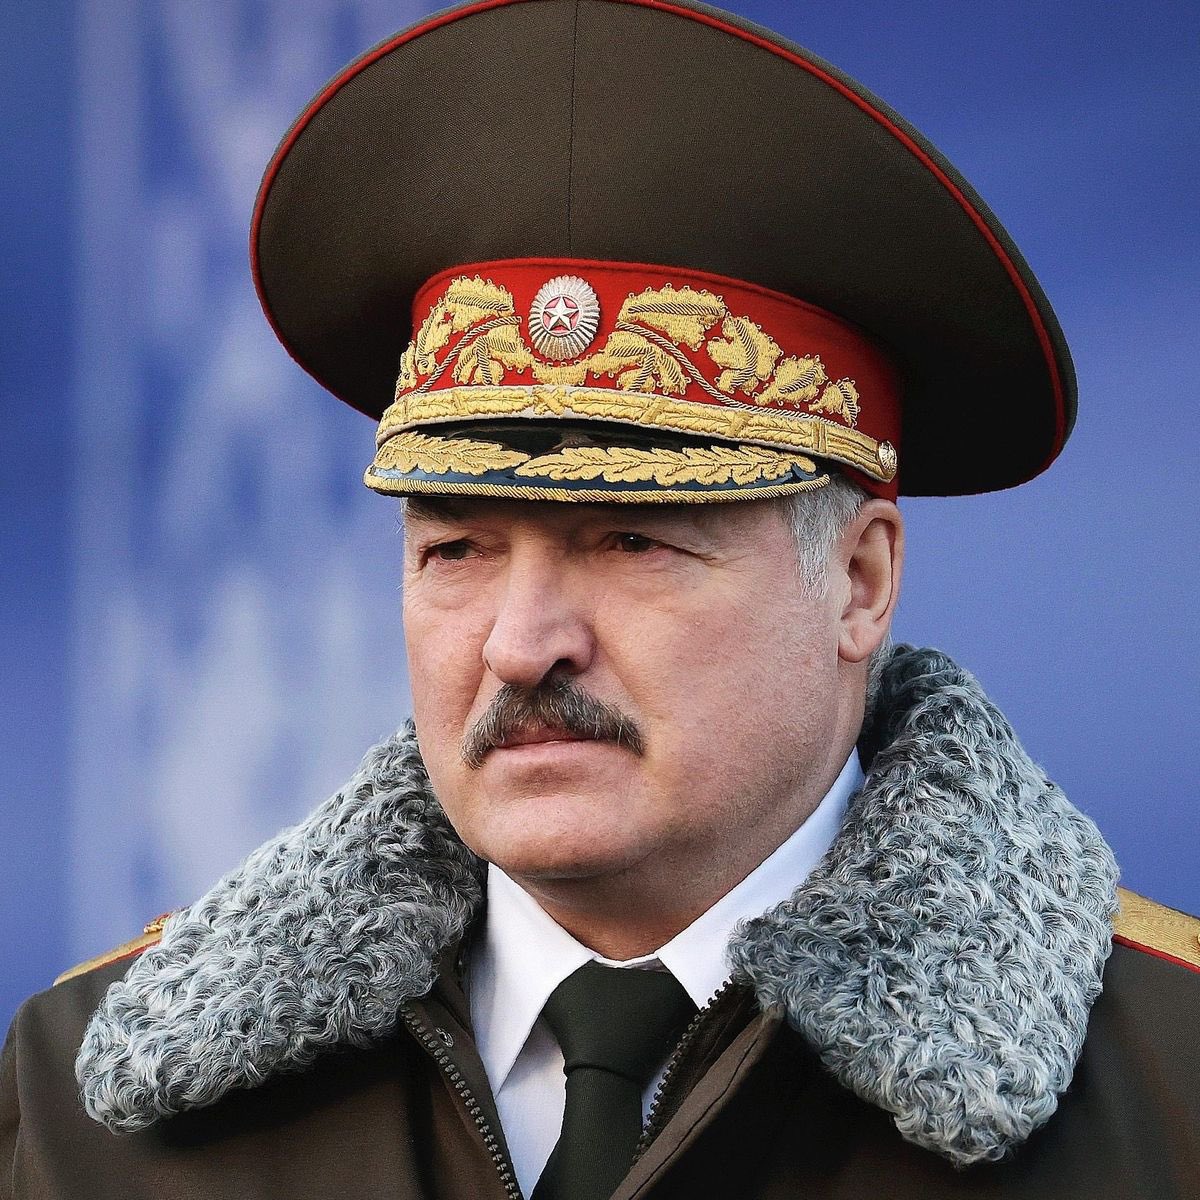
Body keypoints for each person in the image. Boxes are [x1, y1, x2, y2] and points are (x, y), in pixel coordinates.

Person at [2, 1, 1197, 1197]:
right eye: (456, 550)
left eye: (632, 540)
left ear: (860, 582)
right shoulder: (97, 1112)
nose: (522, 646)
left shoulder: (1170, 1090)